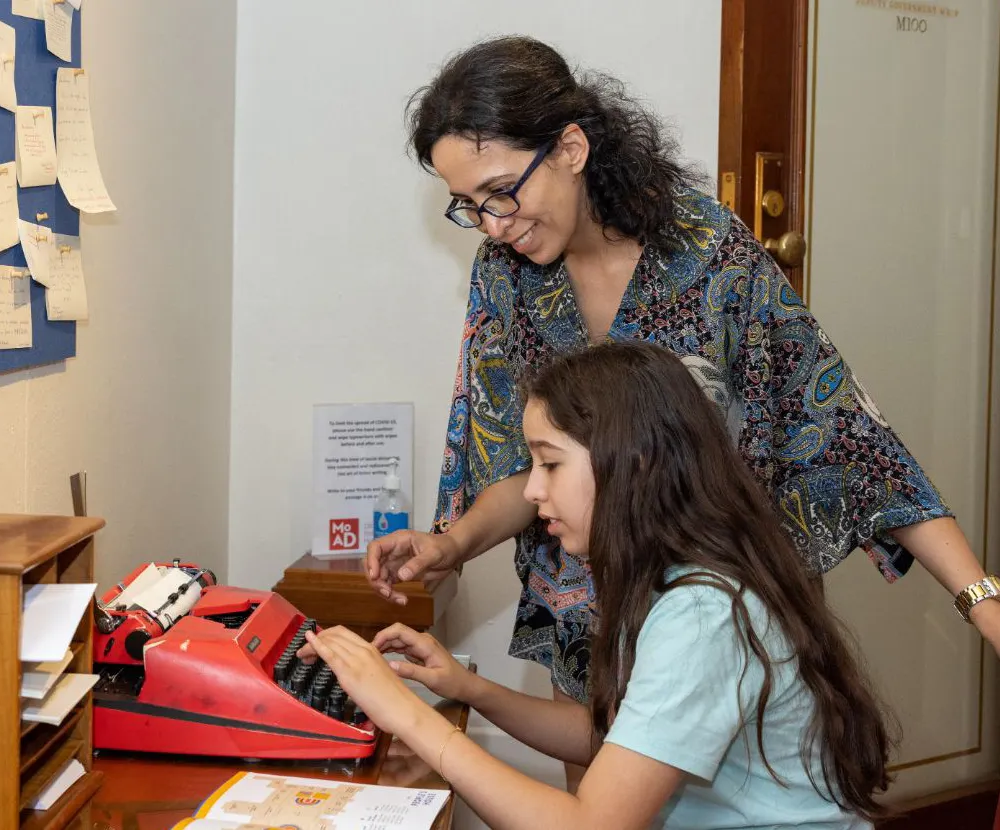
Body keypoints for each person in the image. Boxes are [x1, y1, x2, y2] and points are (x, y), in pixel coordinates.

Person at [365, 34, 1000, 788]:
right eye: (470, 207)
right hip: (591, 623)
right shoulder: (505, 276)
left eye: (503, 192)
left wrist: (981, 601)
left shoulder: (708, 254)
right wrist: (454, 543)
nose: (494, 224)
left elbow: (849, 436)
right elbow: (520, 470)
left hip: (717, 619)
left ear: (571, 147)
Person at [307, 341, 894, 830]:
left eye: (550, 463)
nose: (533, 492)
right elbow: (617, 738)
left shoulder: (703, 612)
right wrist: (469, 689)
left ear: (633, 464)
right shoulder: (674, 578)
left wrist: (407, 717)